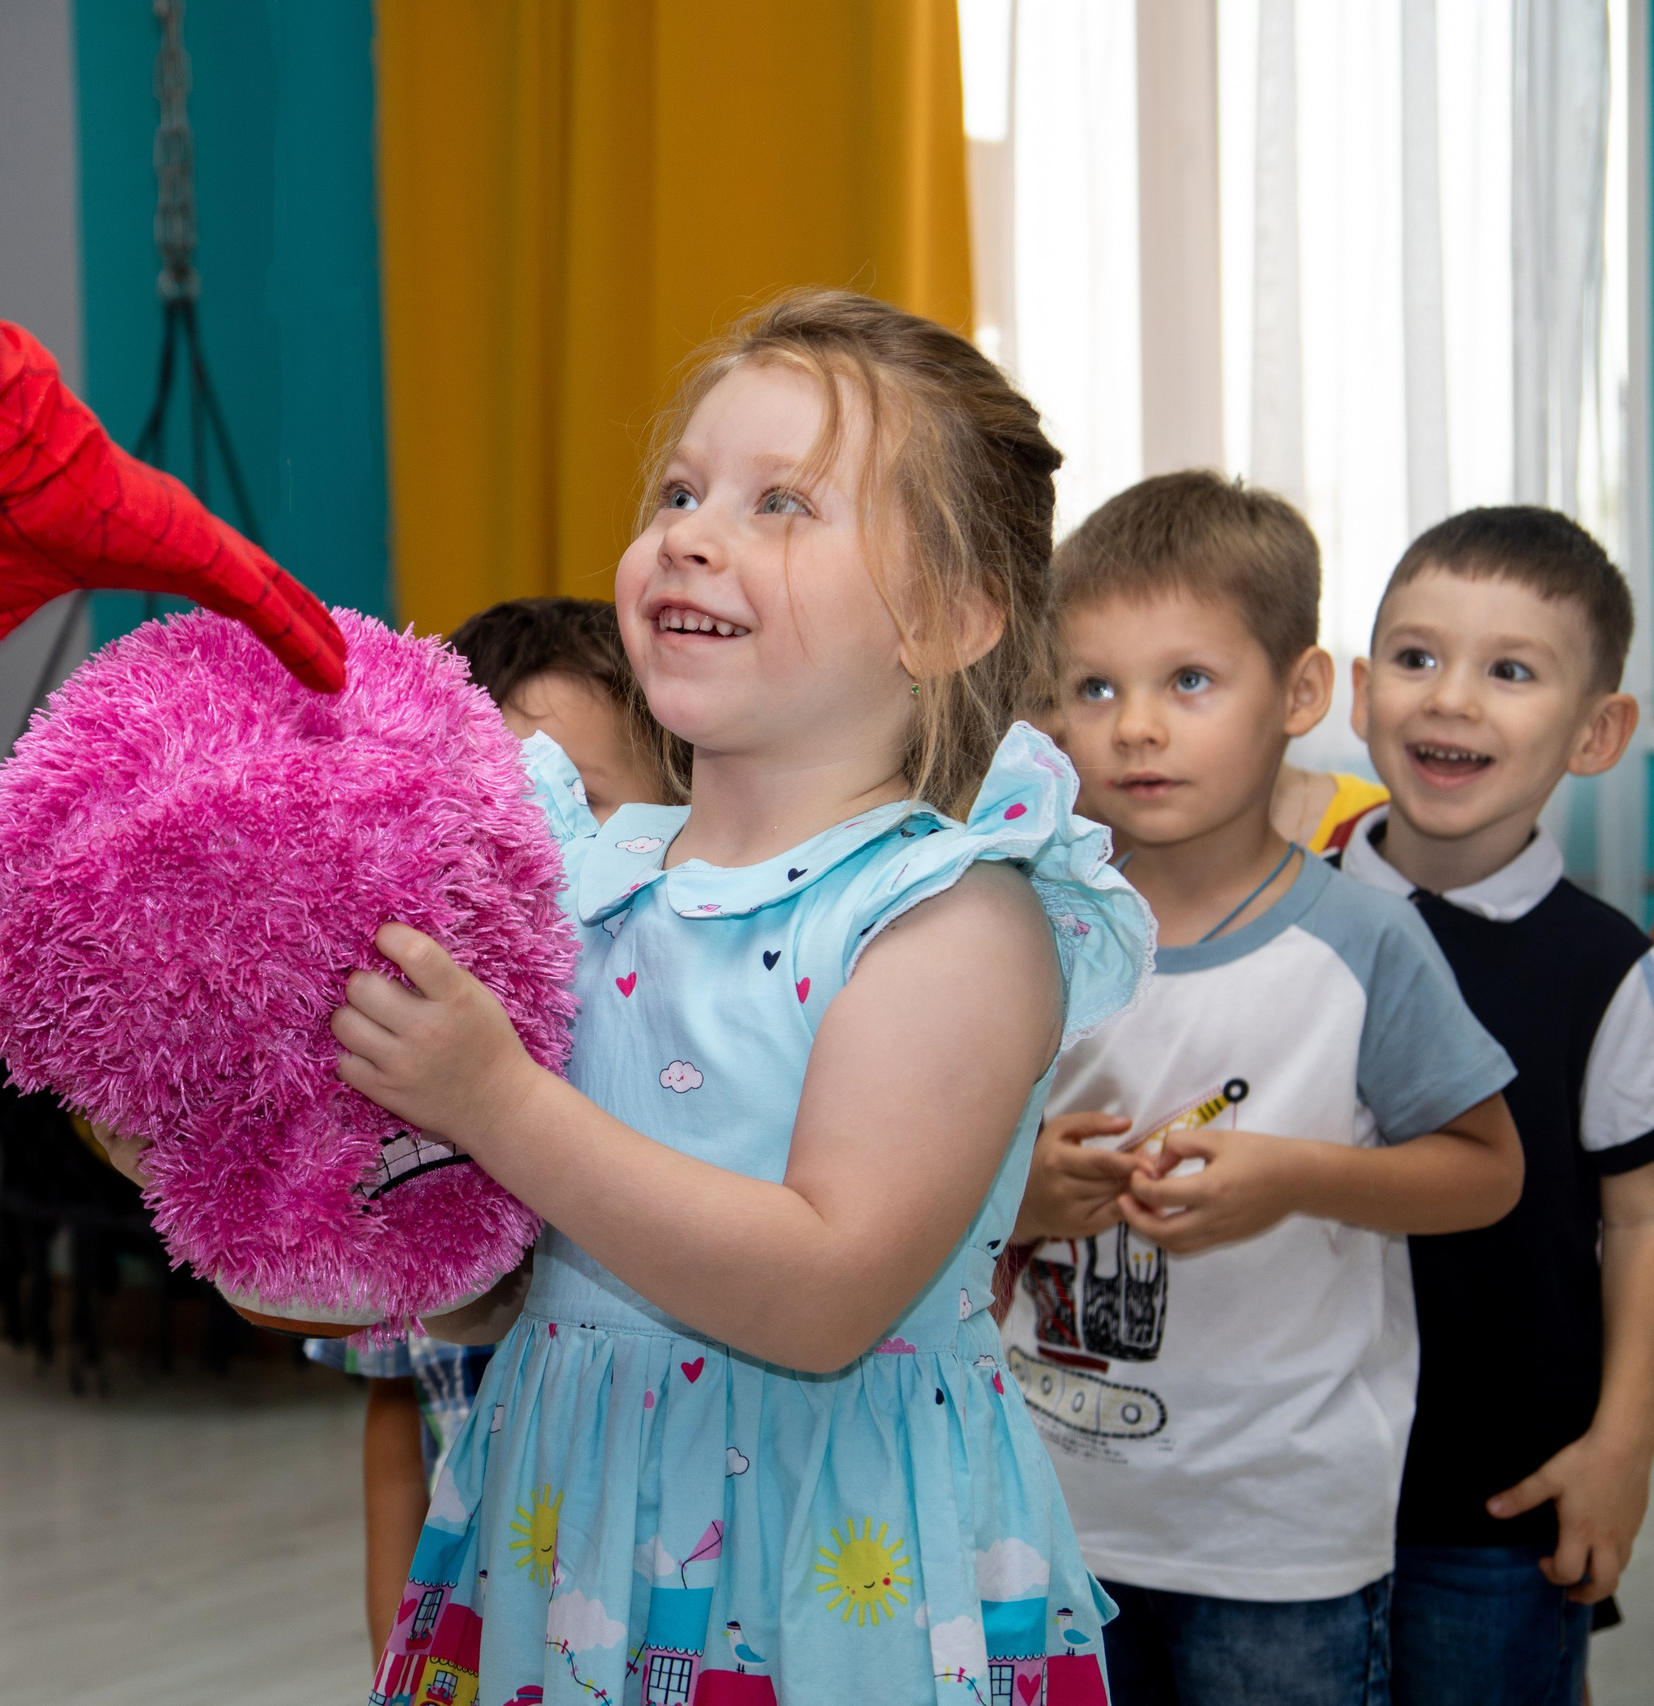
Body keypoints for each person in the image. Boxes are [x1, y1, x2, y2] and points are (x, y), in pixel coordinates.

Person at [323, 288, 1154, 1702]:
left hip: (822, 1572)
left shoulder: (954, 915)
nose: (693, 531)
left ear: (946, 617)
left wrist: (496, 1101)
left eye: (783, 504)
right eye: (681, 489)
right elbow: (531, 1260)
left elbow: (826, 1292)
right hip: (558, 1526)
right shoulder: (595, 879)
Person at [1003, 470, 1523, 1706]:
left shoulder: (1363, 943)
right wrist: (1023, 1189)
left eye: (1189, 681)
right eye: (1095, 687)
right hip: (1044, 1509)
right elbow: (934, 1175)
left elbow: (1487, 1172)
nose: (1135, 726)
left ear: (1298, 693)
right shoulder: (1020, 932)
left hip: (1281, 1539)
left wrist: (1294, 1175)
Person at [308, 596, 678, 1667]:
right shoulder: (396, 1106)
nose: (530, 853)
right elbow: (392, 1418)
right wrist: (398, 1645)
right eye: (492, 815)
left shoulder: (678, 1078)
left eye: (578, 806)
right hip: (482, 1606)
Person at [1332, 507, 1654, 1706]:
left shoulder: (1605, 966)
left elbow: (1639, 1222)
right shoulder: (1282, 920)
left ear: (1595, 730)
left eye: (1509, 670)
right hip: (1280, 1492)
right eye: (1416, 658)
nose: (1449, 698)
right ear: (1361, 693)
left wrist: (1624, 1443)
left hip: (1497, 1501)